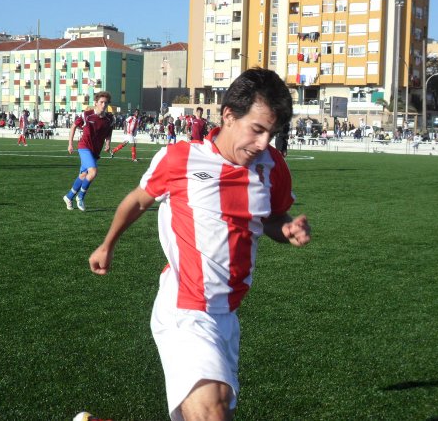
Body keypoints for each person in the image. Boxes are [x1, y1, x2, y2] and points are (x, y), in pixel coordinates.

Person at [88, 68, 311, 421]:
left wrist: (286, 228)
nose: (264, 143)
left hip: (227, 315)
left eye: (272, 133)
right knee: (212, 411)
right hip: (185, 307)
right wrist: (107, 244)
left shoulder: (273, 167)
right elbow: (138, 201)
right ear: (228, 115)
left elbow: (272, 217)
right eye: (257, 130)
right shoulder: (180, 158)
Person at [63, 91, 113, 212]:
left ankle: (69, 197)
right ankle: (80, 197)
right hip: (84, 147)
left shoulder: (109, 119)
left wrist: (108, 144)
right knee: (93, 172)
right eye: (101, 102)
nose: (104, 105)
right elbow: (74, 126)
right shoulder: (87, 115)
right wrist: (70, 143)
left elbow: (108, 133)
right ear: (96, 103)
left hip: (96, 150)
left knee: (83, 175)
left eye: (106, 103)